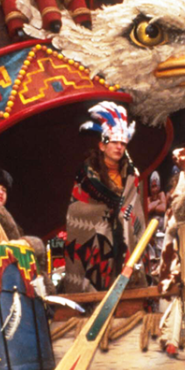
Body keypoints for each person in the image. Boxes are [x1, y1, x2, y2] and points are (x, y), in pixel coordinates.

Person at [64, 101, 145, 292]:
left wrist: (123, 215)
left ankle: (129, 285)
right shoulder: (87, 172)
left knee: (125, 220)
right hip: (92, 231)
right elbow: (78, 206)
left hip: (123, 230)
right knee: (103, 222)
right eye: (114, 142)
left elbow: (134, 206)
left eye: (123, 143)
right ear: (102, 145)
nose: (119, 147)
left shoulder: (132, 175)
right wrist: (110, 211)